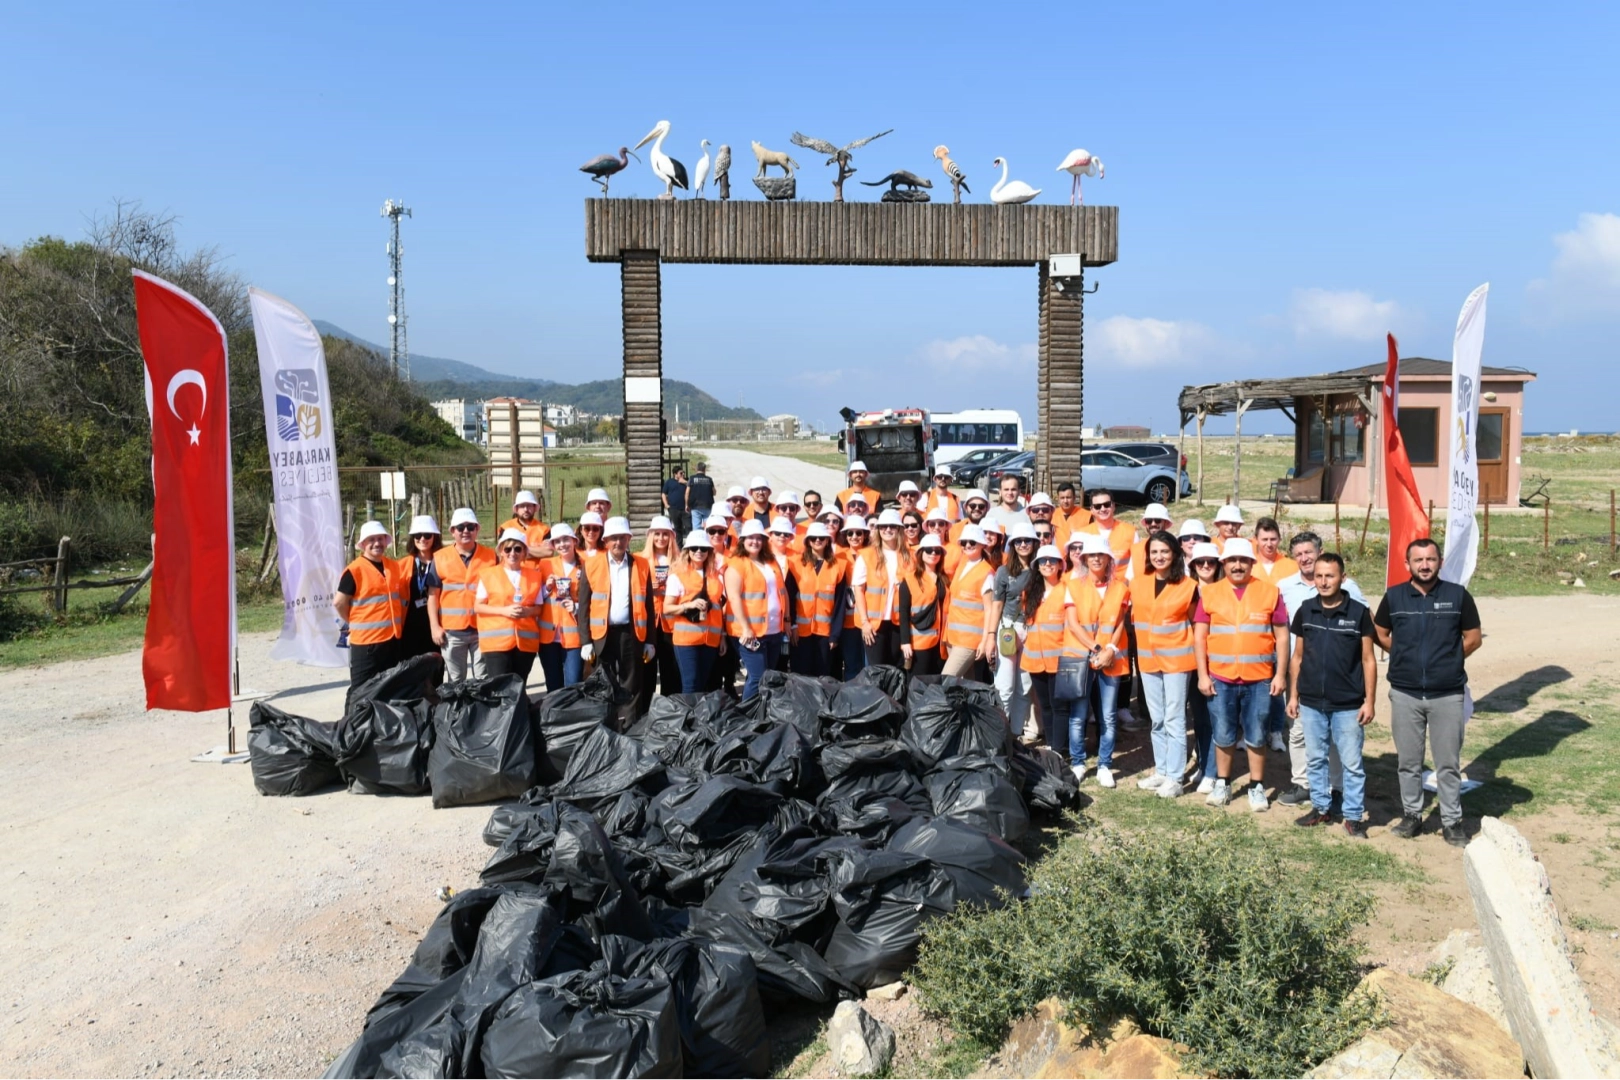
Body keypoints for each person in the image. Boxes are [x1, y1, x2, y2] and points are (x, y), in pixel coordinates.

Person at [1374, 537, 1483, 847]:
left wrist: (1448, 661)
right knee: (1408, 761)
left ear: (1439, 562)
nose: (1424, 565)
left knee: (1448, 762)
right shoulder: (1395, 597)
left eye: (1430, 559)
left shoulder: (1457, 596)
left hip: (1447, 694)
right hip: (1405, 694)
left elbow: (1473, 638)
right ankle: (1411, 815)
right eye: (1418, 560)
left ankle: (1451, 822)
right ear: (1407, 564)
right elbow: (1380, 632)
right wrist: (1402, 656)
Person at [1194, 538, 1289, 812]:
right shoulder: (1210, 593)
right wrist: (1203, 674)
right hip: (1220, 678)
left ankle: (1256, 786)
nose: (1237, 565)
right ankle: (1223, 783)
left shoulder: (1270, 592)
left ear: (1251, 563)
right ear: (1223, 564)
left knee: (1257, 734)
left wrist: (1279, 674)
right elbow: (1200, 637)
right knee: (1223, 734)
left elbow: (1282, 637)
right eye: (1231, 560)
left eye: (1243, 560)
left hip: (1258, 679)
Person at [1287, 553, 1376, 837]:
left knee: (1351, 763)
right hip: (1312, 701)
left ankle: (1352, 816)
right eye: (1319, 576)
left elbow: (1368, 660)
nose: (1323, 582)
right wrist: (1293, 695)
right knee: (1315, 758)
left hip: (1348, 704)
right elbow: (1297, 656)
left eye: (1330, 576)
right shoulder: (1306, 610)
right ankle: (1321, 809)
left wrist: (1369, 701)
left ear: (1343, 578)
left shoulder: (1358, 613)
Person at [1274, 531, 1365, 806]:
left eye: (1308, 552)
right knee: (1299, 732)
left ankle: (1336, 788)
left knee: (1336, 737)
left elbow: (1365, 627)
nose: (1304, 558)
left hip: (1339, 675)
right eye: (1298, 554)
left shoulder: (1349, 588)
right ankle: (1303, 784)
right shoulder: (1284, 586)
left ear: (1319, 551)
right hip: (1299, 672)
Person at [1130, 531, 1199, 798]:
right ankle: (1161, 770)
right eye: (1154, 552)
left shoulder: (1188, 586)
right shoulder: (1138, 584)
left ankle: (1175, 777)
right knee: (1157, 719)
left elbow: (1195, 623)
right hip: (1148, 660)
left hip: (1177, 660)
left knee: (1174, 718)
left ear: (1175, 554)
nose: (1159, 556)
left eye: (1165, 552)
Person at [1066, 534, 1131, 787]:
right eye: (1091, 555)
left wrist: (1110, 649)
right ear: (1084, 559)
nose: (1095, 559)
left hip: (1110, 659)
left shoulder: (1121, 588)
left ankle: (1105, 765)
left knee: (1108, 715)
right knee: (1078, 714)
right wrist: (1095, 648)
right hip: (1081, 658)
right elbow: (1073, 623)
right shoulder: (1073, 586)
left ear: (1108, 559)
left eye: (1100, 555)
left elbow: (1119, 622)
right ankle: (1078, 762)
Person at [580, 517, 656, 726]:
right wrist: (585, 641)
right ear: (605, 541)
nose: (618, 543)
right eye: (613, 538)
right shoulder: (592, 565)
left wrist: (650, 640)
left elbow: (649, 605)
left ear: (629, 539)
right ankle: (603, 726)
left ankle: (630, 729)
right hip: (601, 635)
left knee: (632, 684)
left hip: (631, 633)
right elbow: (584, 607)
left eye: (622, 538)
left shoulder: (641, 565)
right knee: (602, 682)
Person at [335, 521, 410, 709]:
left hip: (392, 640)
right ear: (363, 544)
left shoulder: (393, 566)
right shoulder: (355, 570)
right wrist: (353, 621)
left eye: (380, 539)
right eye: (371, 540)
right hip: (366, 644)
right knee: (360, 691)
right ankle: (350, 729)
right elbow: (339, 602)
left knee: (387, 688)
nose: (377, 543)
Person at [1020, 544, 1079, 758]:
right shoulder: (1030, 592)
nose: (1047, 564)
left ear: (1060, 565)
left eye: (1052, 561)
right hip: (1035, 659)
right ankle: (1054, 746)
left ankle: (1060, 749)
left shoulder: (1067, 590)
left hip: (1060, 660)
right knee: (1045, 706)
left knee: (1060, 707)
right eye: (1043, 561)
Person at [430, 508, 497, 682]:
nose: (465, 531)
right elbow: (433, 597)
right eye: (460, 527)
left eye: (470, 527)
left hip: (482, 628)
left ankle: (480, 710)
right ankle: (458, 710)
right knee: (456, 679)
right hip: (452, 631)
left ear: (477, 529)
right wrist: (434, 626)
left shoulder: (491, 556)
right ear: (453, 531)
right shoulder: (440, 558)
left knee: (483, 678)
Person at [725, 519, 788, 699]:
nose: (755, 542)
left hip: (774, 630)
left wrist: (787, 620)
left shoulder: (771, 562)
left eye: (759, 538)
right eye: (750, 538)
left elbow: (782, 592)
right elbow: (734, 597)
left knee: (767, 677)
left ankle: (761, 714)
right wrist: (746, 628)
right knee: (757, 677)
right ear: (743, 540)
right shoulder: (737, 564)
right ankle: (747, 717)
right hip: (750, 632)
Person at [473, 529, 545, 683]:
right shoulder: (488, 574)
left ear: (525, 552)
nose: (513, 553)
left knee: (519, 687)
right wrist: (504, 611)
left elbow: (539, 607)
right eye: (508, 549)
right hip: (496, 644)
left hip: (525, 644)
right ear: (501, 552)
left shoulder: (534, 576)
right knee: (500, 689)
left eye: (518, 549)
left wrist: (527, 611)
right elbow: (478, 606)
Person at [989, 522, 1039, 742]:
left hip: (1032, 630)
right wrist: (990, 636)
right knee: (1005, 687)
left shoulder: (1041, 569)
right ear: (1012, 545)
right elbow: (996, 605)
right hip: (1008, 629)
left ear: (1035, 543)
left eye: (1027, 540)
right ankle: (1000, 733)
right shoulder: (1003, 571)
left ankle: (1016, 734)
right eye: (1018, 541)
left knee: (1024, 686)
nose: (1023, 544)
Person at [665, 530, 726, 693]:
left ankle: (698, 717)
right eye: (694, 548)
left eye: (703, 548)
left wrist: (723, 637)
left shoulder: (716, 577)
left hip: (710, 640)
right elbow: (667, 608)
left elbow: (719, 609)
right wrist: (688, 606)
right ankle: (689, 718)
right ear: (687, 551)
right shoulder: (677, 576)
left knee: (703, 683)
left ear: (709, 551)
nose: (699, 552)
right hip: (687, 641)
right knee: (690, 684)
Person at [1185, 542, 1223, 792]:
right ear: (1193, 566)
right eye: (1201, 562)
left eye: (1211, 562)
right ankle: (1203, 765)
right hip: (1190, 661)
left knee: (1216, 719)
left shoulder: (1225, 590)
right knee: (1199, 718)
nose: (1206, 566)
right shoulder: (1187, 591)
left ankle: (1213, 771)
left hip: (1218, 661)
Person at [855, 508, 911, 668]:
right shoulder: (866, 555)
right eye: (883, 526)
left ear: (899, 529)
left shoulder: (909, 556)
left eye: (892, 526)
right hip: (874, 625)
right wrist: (865, 622)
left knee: (896, 670)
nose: (888, 530)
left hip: (898, 623)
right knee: (877, 671)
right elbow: (858, 590)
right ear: (878, 530)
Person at [790, 522, 846, 677]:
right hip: (800, 632)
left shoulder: (838, 567)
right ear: (808, 541)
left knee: (822, 674)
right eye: (813, 538)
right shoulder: (796, 565)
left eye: (822, 537)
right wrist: (793, 625)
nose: (817, 540)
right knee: (801, 675)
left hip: (825, 632)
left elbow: (840, 605)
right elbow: (789, 596)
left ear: (828, 540)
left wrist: (834, 634)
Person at [942, 524, 995, 680]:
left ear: (982, 545)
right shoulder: (962, 566)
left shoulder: (986, 572)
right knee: (964, 685)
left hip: (969, 641)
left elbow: (990, 610)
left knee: (946, 679)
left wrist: (984, 641)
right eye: (964, 542)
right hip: (953, 637)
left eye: (972, 542)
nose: (968, 545)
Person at [537, 523, 586, 690]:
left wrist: (577, 607)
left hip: (574, 635)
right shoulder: (545, 565)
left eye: (566, 539)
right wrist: (547, 588)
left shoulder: (586, 564)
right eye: (557, 542)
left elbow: (594, 598)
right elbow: (535, 597)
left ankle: (571, 715)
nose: (562, 544)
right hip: (548, 636)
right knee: (553, 683)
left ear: (573, 541)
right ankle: (554, 716)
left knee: (573, 682)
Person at [641, 515, 680, 707]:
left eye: (665, 534)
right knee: (647, 668)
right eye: (657, 534)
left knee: (670, 668)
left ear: (671, 537)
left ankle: (669, 707)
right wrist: (650, 589)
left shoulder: (679, 561)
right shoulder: (641, 559)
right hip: (649, 620)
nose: (661, 538)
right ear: (651, 536)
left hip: (671, 622)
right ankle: (647, 708)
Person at [900, 534, 948, 678]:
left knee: (935, 683)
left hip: (941, 643)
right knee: (917, 685)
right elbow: (904, 613)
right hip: (919, 643)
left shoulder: (945, 579)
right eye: (928, 550)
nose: (933, 553)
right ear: (921, 554)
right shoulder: (910, 580)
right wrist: (905, 642)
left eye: (937, 550)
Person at [398, 515, 444, 661]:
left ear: (434, 537)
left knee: (434, 668)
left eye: (427, 535)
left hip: (437, 624)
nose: (422, 539)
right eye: (418, 535)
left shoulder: (443, 560)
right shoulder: (402, 564)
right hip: (410, 625)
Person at [834, 515, 872, 679]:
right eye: (850, 533)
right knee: (851, 664)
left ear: (865, 534)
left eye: (858, 533)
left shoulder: (872, 554)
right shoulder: (839, 556)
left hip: (868, 619)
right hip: (848, 621)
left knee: (868, 664)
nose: (854, 537)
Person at [768, 516, 802, 669]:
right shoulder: (761, 556)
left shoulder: (798, 558)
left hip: (787, 621)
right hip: (766, 620)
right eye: (778, 533)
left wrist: (792, 623)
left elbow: (797, 593)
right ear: (771, 535)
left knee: (782, 662)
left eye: (786, 534)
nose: (782, 536)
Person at [1078, 489, 1137, 568]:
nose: (1103, 509)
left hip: (1123, 580)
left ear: (1113, 506)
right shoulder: (1082, 534)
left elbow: (1137, 563)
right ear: (1091, 510)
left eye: (1107, 504)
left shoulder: (1130, 532)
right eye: (1097, 506)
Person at [1128, 504, 1174, 580]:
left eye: (1157, 520)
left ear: (1165, 522)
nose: (1153, 524)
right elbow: (1130, 578)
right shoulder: (1136, 549)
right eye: (1149, 521)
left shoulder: (1175, 546)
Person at [1251, 517, 1297, 583]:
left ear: (1279, 539)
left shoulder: (1293, 566)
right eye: (1265, 539)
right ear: (1256, 540)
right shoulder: (1249, 567)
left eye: (1273, 539)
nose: (1269, 544)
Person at [686, 460, 716, 532]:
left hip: (695, 506)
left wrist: (686, 505)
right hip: (708, 506)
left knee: (696, 527)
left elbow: (687, 493)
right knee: (708, 526)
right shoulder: (709, 479)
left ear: (696, 469)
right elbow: (714, 492)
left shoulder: (692, 478)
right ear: (705, 469)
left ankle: (697, 541)